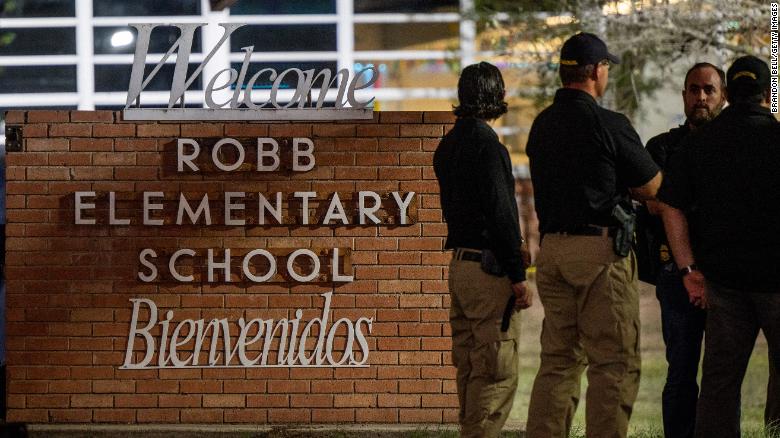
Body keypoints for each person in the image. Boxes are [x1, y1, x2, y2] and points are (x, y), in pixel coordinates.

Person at [524, 32, 662, 438]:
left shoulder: (542, 125)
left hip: (551, 251)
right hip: (598, 254)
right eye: (606, 68)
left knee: (558, 362)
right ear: (597, 71)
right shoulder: (609, 123)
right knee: (614, 364)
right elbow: (653, 186)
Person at [658, 55, 780, 438]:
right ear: (767, 93)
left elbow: (670, 206)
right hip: (778, 281)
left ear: (726, 93)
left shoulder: (700, 144)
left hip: (723, 284)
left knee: (719, 385)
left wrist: (689, 270)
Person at [433, 61, 532, 438]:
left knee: (471, 366)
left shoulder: (448, 145)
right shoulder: (488, 148)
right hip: (489, 270)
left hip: (459, 266)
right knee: (495, 372)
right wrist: (518, 277)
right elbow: (502, 215)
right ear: (498, 96)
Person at [643, 62, 726, 438]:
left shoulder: (735, 146)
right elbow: (653, 203)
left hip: (728, 275)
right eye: (694, 90)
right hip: (676, 275)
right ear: (684, 95)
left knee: (723, 371)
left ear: (723, 96)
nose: (701, 98)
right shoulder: (663, 148)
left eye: (709, 90)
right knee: (680, 367)